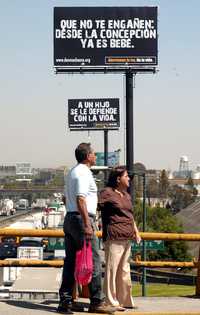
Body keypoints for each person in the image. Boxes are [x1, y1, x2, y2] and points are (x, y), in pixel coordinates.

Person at [57, 143, 115, 314]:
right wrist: (87, 223)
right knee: (94, 260)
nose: (95, 155)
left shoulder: (72, 172)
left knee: (71, 262)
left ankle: (65, 301)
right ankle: (97, 301)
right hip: (81, 220)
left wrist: (73, 214)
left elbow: (64, 198)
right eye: (93, 153)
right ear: (87, 156)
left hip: (70, 218)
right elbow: (81, 199)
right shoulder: (83, 173)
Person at [98, 166, 141, 311]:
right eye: (126, 176)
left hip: (127, 237)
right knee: (112, 270)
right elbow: (95, 207)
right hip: (114, 237)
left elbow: (130, 216)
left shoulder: (126, 195)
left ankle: (125, 300)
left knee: (124, 270)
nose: (129, 179)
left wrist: (136, 231)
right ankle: (111, 301)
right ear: (118, 178)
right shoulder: (107, 193)